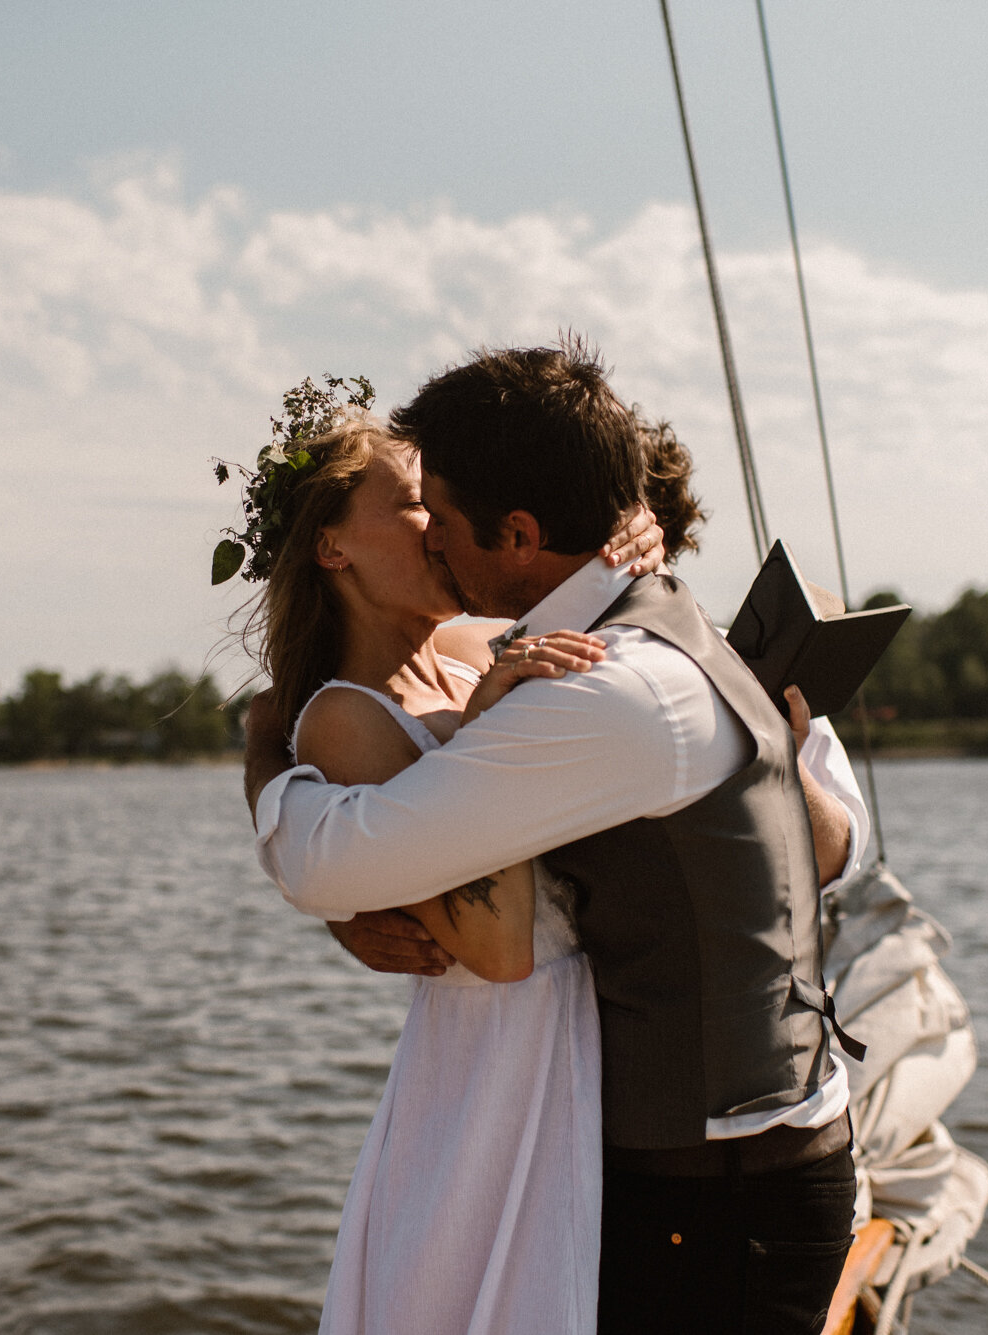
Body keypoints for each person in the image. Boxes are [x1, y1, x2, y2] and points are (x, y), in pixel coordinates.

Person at [246, 340, 871, 1335]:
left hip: (713, 1188)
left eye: (439, 517)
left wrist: (273, 787)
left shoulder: (596, 690)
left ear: (520, 532)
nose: (432, 539)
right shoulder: (640, 635)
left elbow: (328, 859)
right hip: (699, 1157)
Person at [220, 392, 667, 1334]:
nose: (442, 521)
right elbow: (499, 944)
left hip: (596, 1029)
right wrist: (493, 723)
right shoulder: (348, 718)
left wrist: (632, 534)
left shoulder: (474, 646)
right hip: (502, 1059)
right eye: (415, 501)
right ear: (333, 546)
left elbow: (584, 564)